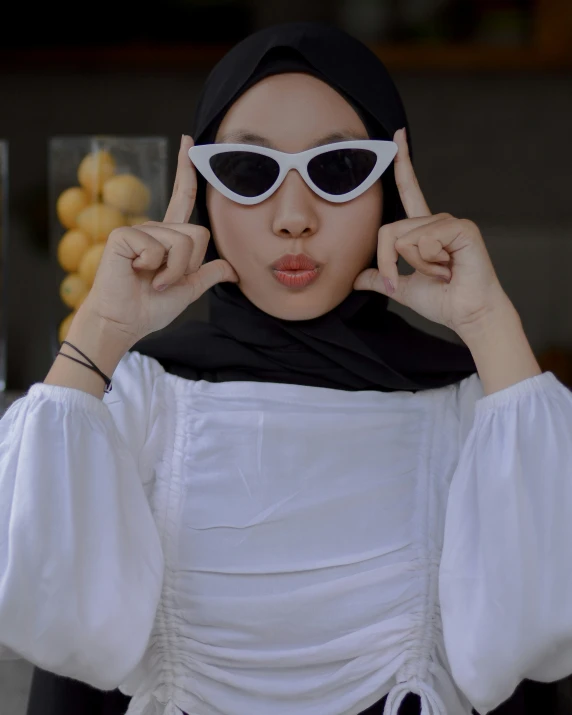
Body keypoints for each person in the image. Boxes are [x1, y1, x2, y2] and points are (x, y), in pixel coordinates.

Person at [3, 20, 572, 715]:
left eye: (338, 170)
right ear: (203, 193)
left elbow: (545, 628)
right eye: (248, 172)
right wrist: (101, 330)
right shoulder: (143, 400)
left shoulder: (469, 410)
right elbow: (33, 591)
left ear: (391, 188)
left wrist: (489, 325)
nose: (294, 217)